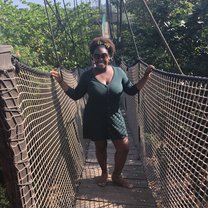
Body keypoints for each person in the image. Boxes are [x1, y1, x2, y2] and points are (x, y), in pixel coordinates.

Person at [50, 36, 154, 189]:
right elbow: (75, 95)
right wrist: (60, 81)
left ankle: (117, 176)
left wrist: (145, 77)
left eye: (103, 55)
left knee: (124, 147)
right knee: (100, 147)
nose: (100, 58)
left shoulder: (119, 73)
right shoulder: (87, 76)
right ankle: (104, 173)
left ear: (109, 57)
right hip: (94, 117)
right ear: (93, 58)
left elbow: (131, 91)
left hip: (114, 115)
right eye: (96, 56)